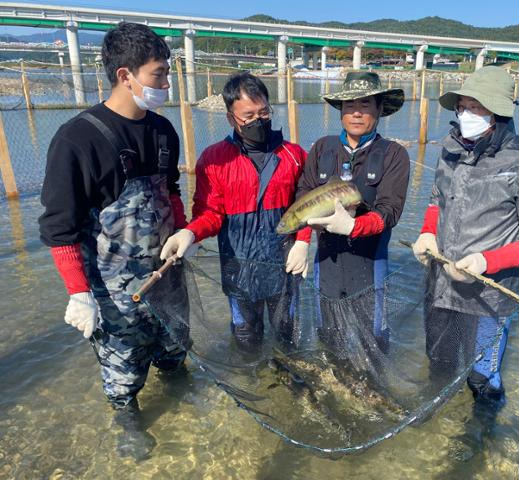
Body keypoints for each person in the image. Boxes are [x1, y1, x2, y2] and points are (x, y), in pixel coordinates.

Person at [39, 22, 189, 457]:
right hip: (112, 287)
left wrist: (182, 230)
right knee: (123, 365)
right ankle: (129, 422)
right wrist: (78, 293)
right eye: (158, 74)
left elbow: (171, 190)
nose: (165, 83)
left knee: (174, 346)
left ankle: (181, 396)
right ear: (126, 75)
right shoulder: (77, 138)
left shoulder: (163, 131)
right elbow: (59, 227)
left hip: (167, 272)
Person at [412, 66, 519, 406]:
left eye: (476, 108)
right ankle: (434, 426)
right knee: (439, 363)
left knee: (483, 379)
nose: (466, 115)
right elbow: (437, 200)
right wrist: (427, 233)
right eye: (462, 106)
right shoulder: (449, 149)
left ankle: (481, 443)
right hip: (441, 284)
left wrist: (485, 260)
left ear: (498, 112)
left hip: (488, 298)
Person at [161, 72, 308, 351]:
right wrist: (190, 233)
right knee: (245, 335)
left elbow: (308, 206)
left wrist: (303, 241)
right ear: (231, 118)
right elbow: (210, 213)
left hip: (285, 264)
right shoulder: (214, 159)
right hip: (237, 267)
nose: (258, 120)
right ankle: (253, 380)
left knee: (286, 332)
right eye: (248, 115)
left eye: (264, 112)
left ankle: (288, 380)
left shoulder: (294, 155)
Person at [295, 72, 410, 353]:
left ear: (380, 109)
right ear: (340, 111)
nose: (356, 113)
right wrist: (301, 240)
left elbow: (390, 211)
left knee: (373, 340)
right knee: (329, 335)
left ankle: (372, 390)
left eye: (366, 105)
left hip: (369, 264)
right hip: (327, 262)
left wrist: (352, 226)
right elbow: (303, 195)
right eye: (349, 106)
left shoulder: (394, 154)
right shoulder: (322, 148)